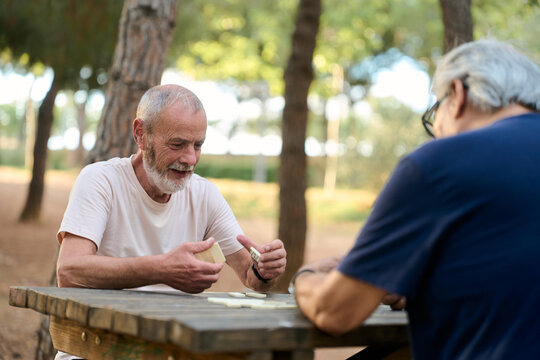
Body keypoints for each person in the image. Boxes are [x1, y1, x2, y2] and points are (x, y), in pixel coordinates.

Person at [292, 39, 540, 359]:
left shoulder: (441, 162)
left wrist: (305, 278)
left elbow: (335, 312)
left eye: (435, 111)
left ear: (458, 94)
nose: (435, 129)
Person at [55, 84, 286, 359]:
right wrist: (163, 269)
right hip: (94, 350)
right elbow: (69, 271)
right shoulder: (100, 180)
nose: (190, 159)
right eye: (177, 144)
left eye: (197, 145)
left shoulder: (204, 194)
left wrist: (265, 269)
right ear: (141, 134)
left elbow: (251, 276)